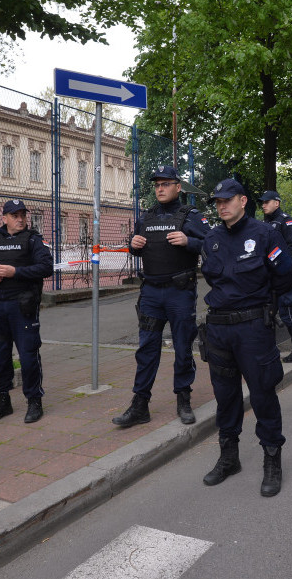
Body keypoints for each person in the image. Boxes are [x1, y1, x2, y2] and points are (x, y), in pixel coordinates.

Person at [198, 179, 292, 497]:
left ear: (242, 201)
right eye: (217, 201)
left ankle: (272, 461)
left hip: (253, 329)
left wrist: (263, 304)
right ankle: (229, 458)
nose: (221, 205)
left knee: (263, 394)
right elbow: (211, 277)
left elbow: (286, 275)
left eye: (227, 200)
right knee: (225, 397)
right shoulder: (211, 239)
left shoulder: (265, 234)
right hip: (219, 329)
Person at [113, 165, 210, 428]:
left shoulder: (190, 215)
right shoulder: (146, 217)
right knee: (146, 350)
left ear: (178, 187)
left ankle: (183, 399)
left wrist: (189, 242)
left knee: (182, 347)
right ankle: (140, 405)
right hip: (151, 293)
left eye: (166, 184)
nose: (160, 189)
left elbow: (213, 244)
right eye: (157, 185)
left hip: (180, 292)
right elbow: (138, 246)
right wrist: (132, 245)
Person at [0, 199, 54, 424]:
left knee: (28, 356)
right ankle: (2, 399)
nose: (20, 219)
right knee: (0, 357)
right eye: (15, 215)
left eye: (22, 215)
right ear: (4, 218)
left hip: (23, 306)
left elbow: (46, 267)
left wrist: (15, 272)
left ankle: (34, 400)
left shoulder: (33, 240)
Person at [259, 190, 292, 363]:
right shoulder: (265, 222)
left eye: (266, 202)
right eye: (262, 202)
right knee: (268, 313)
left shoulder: (285, 221)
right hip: (269, 277)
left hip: (283, 275)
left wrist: (284, 272)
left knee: (287, 313)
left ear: (276, 203)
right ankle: (270, 350)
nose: (263, 205)